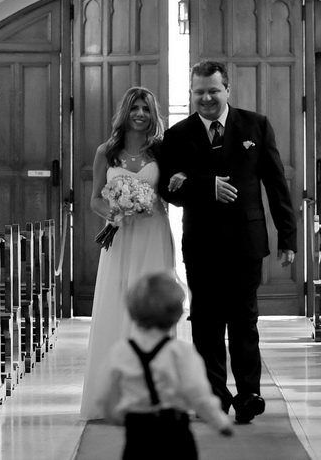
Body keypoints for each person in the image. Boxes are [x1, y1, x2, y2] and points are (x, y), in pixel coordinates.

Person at [158, 60, 297, 423]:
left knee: (244, 320)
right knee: (205, 321)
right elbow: (167, 191)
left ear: (227, 90)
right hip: (201, 243)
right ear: (191, 93)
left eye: (213, 90)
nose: (206, 98)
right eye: (199, 92)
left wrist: (288, 237)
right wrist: (205, 187)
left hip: (247, 241)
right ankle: (214, 395)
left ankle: (249, 394)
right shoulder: (177, 135)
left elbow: (276, 183)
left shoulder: (256, 125)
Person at [80, 86, 177, 420]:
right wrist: (113, 211)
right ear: (125, 112)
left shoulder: (162, 151)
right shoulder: (106, 152)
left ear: (153, 115)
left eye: (146, 109)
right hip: (120, 238)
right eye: (135, 107)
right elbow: (94, 198)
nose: (140, 114)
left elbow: (171, 191)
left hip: (153, 233)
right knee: (117, 306)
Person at [97, 271, 233, 459]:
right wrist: (219, 422)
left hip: (137, 434)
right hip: (175, 432)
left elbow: (106, 392)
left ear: (133, 311)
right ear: (177, 313)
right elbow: (197, 391)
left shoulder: (121, 351)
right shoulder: (181, 352)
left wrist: (114, 414)